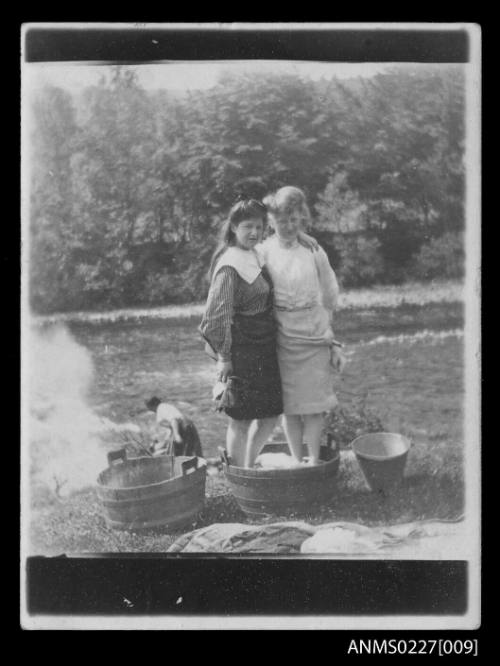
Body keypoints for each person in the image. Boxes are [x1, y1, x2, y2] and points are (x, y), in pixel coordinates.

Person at [259, 186, 345, 465]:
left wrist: (328, 330)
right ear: (271, 220)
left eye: (295, 220)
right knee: (291, 407)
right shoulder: (262, 252)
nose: (288, 226)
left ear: (302, 219)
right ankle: (297, 460)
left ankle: (315, 460)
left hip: (314, 331)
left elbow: (330, 290)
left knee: (315, 406)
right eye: (282, 220)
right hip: (282, 334)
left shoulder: (313, 250)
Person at [199, 199, 283, 467]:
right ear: (234, 227)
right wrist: (224, 356)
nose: (255, 233)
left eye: (259, 227)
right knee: (242, 417)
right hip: (242, 348)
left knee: (271, 414)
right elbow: (215, 316)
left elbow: (287, 236)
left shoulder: (255, 254)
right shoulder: (229, 263)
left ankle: (248, 466)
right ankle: (237, 474)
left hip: (265, 344)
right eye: (248, 227)